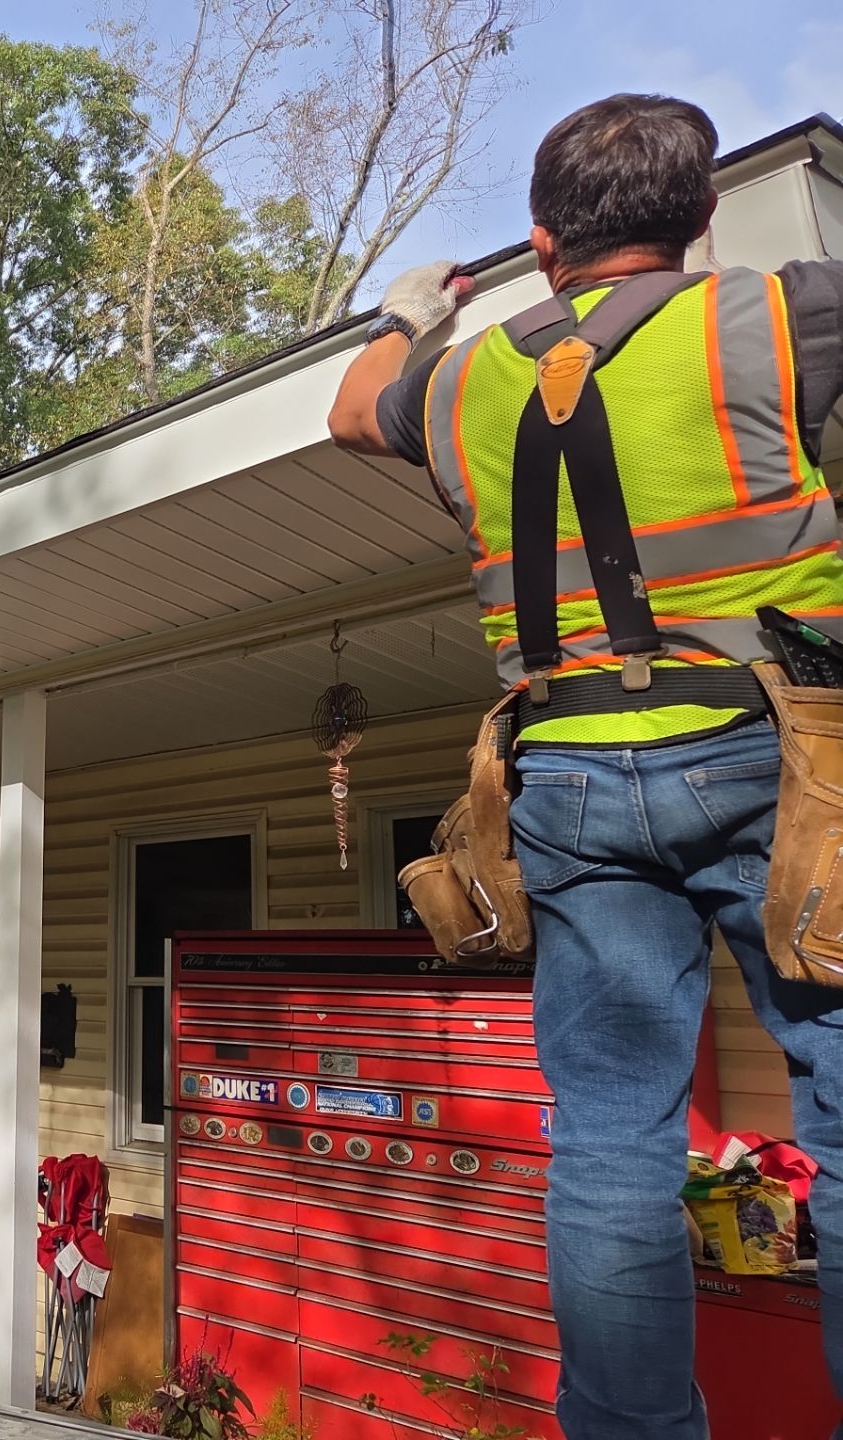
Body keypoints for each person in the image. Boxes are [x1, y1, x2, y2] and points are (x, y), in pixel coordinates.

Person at [327, 94, 843, 1440]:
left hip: (559, 774)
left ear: (544, 246)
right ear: (705, 218)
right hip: (772, 758)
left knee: (612, 1138)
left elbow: (346, 414)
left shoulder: (463, 379)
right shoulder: (778, 314)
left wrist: (406, 313)